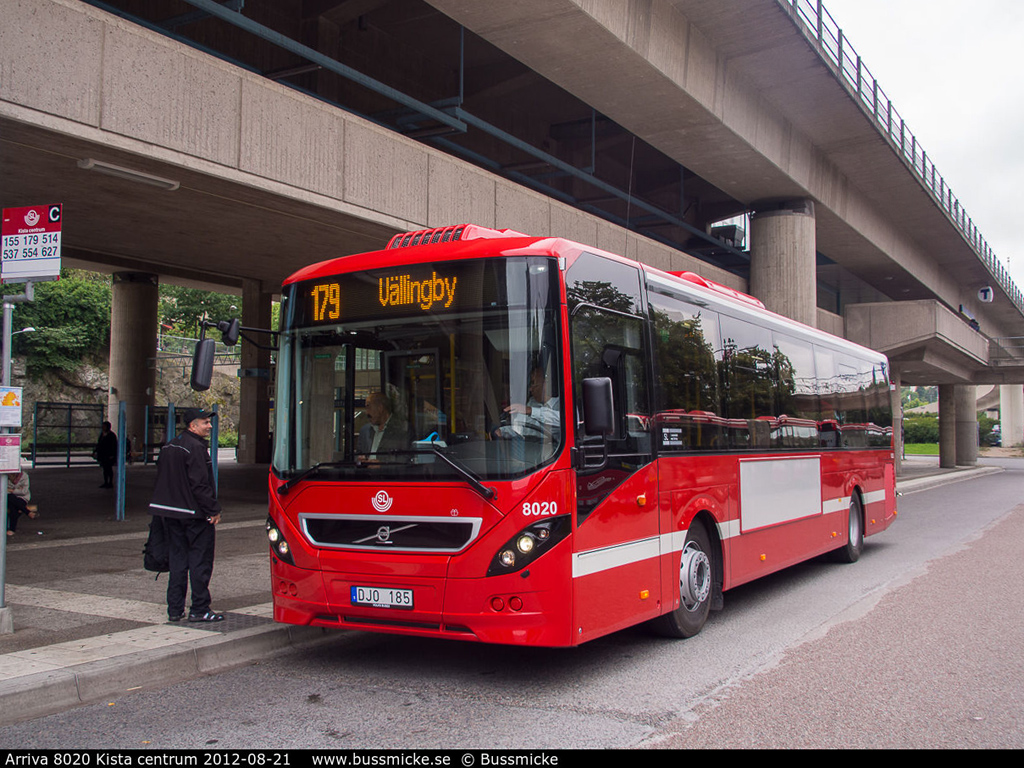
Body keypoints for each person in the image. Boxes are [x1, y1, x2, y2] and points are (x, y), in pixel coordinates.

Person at [148, 407, 223, 623]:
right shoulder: (196, 448)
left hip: (171, 514)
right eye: (205, 422)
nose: (209, 426)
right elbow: (200, 484)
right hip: (194, 515)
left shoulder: (170, 445)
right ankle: (200, 608)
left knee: (178, 561)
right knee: (200, 561)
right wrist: (213, 510)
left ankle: (175, 609)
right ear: (192, 425)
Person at [496, 367, 560, 439]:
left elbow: (563, 422)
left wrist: (531, 411)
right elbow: (521, 427)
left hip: (554, 448)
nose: (530, 389)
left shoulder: (561, 404)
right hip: (531, 446)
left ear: (545, 384)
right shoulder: (532, 402)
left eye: (533, 383)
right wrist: (502, 431)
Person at [357, 392, 408, 459]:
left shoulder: (403, 429)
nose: (367, 413)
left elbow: (405, 459)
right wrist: (360, 459)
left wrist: (381, 465)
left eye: (368, 407)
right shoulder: (365, 431)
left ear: (380, 408)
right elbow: (357, 455)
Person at [5, 470, 38, 537]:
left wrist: (12, 490)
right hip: (9, 497)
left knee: (13, 505)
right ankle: (28, 512)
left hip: (22, 497)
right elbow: (3, 490)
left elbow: (24, 491)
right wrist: (17, 490)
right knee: (11, 499)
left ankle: (12, 529)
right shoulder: (4, 476)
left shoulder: (24, 476)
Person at [95, 421, 118, 488]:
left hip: (109, 455)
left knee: (109, 468)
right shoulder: (102, 435)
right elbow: (99, 444)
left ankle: (110, 482)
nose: (103, 427)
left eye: (104, 426)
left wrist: (112, 454)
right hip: (103, 455)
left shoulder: (111, 435)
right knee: (105, 469)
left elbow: (113, 446)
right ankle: (106, 482)